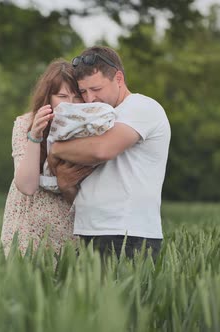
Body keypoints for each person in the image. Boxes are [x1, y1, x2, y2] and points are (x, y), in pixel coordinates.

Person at [48, 46, 171, 260]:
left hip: (128, 234)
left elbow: (101, 150)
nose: (90, 99)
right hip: (87, 231)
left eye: (96, 88)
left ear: (119, 78)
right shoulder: (94, 117)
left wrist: (57, 148)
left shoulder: (142, 107)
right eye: (84, 91)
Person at [1, 59, 94, 257]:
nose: (70, 103)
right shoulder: (25, 124)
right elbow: (26, 186)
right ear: (48, 98)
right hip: (27, 229)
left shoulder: (91, 128)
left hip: (70, 232)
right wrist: (35, 136)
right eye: (62, 96)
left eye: (76, 97)